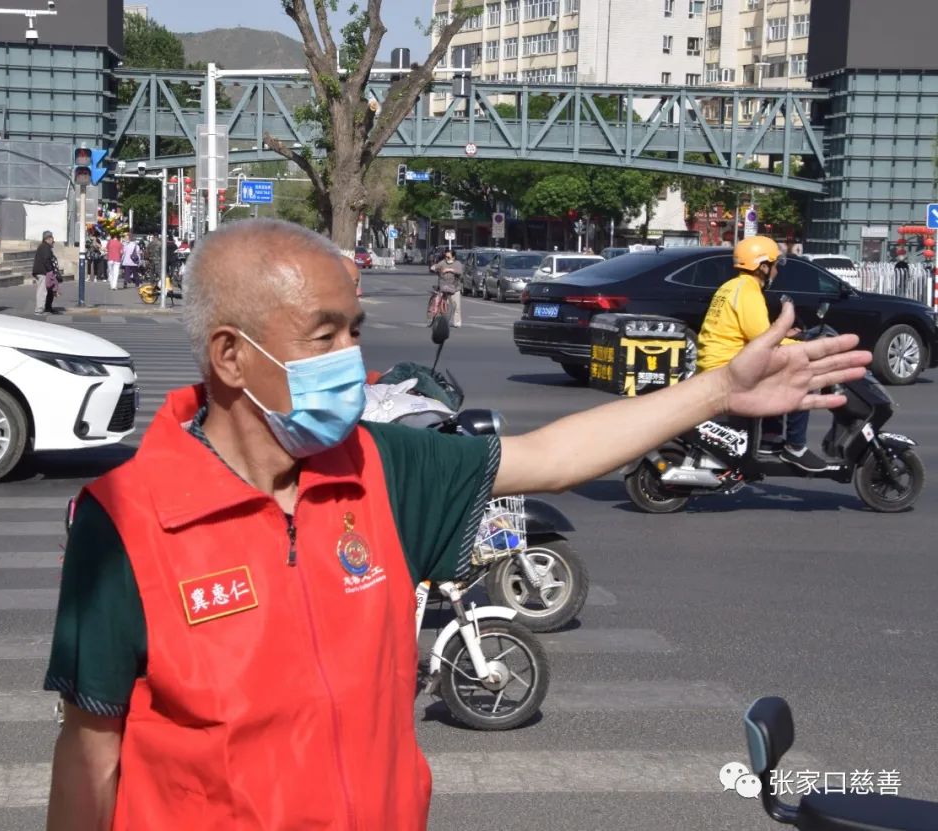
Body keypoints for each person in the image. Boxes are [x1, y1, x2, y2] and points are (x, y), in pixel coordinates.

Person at [43, 219, 868, 831]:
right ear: (231, 356)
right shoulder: (127, 517)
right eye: (324, 335)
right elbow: (91, 753)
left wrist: (720, 390)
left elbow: (552, 456)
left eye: (355, 330)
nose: (350, 357)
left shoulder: (380, 467)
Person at [697, 235, 829, 472]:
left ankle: (769, 438)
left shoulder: (731, 286)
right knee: (802, 377)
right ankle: (795, 447)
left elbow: (752, 331)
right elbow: (763, 341)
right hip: (729, 366)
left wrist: (786, 334)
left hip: (717, 362)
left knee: (777, 369)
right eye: (775, 265)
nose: (777, 271)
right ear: (763, 267)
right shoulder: (749, 291)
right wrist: (802, 346)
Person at [431, 247, 463, 327]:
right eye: (445, 256)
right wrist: (434, 267)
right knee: (445, 306)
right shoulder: (442, 262)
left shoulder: (457, 263)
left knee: (456, 306)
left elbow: (460, 272)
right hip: (444, 287)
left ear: (453, 257)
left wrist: (449, 270)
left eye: (448, 257)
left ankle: (457, 322)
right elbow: (435, 267)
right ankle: (443, 320)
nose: (446, 258)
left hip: (455, 288)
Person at [32, 230, 60, 315]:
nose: (53, 241)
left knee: (47, 290)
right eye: (52, 238)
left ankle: (47, 308)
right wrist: (50, 271)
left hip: (42, 271)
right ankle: (39, 309)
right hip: (42, 272)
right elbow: (46, 260)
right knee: (42, 291)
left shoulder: (44, 247)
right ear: (48, 239)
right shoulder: (45, 247)